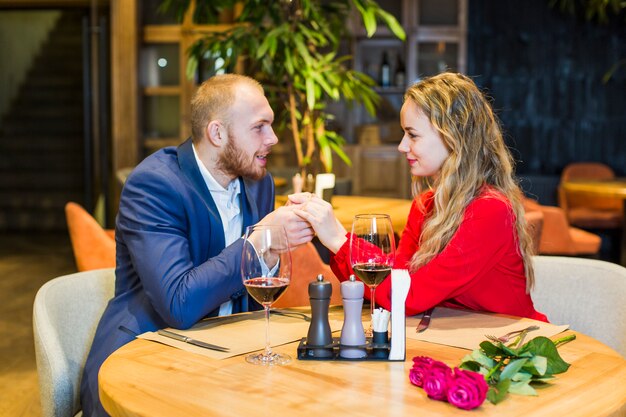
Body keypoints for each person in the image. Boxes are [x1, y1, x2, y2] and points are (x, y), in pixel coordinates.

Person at [80, 74, 314, 417]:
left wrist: (272, 251)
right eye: (260, 127)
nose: (273, 138)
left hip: (226, 359)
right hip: (144, 361)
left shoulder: (258, 183)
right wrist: (257, 242)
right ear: (217, 133)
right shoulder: (155, 185)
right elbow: (178, 303)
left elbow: (251, 284)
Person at [293, 72, 548, 322]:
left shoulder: (491, 210)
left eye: (412, 135)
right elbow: (399, 277)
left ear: (453, 138)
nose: (402, 146)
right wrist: (340, 238)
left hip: (510, 350)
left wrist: (339, 240)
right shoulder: (426, 204)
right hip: (458, 340)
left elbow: (409, 296)